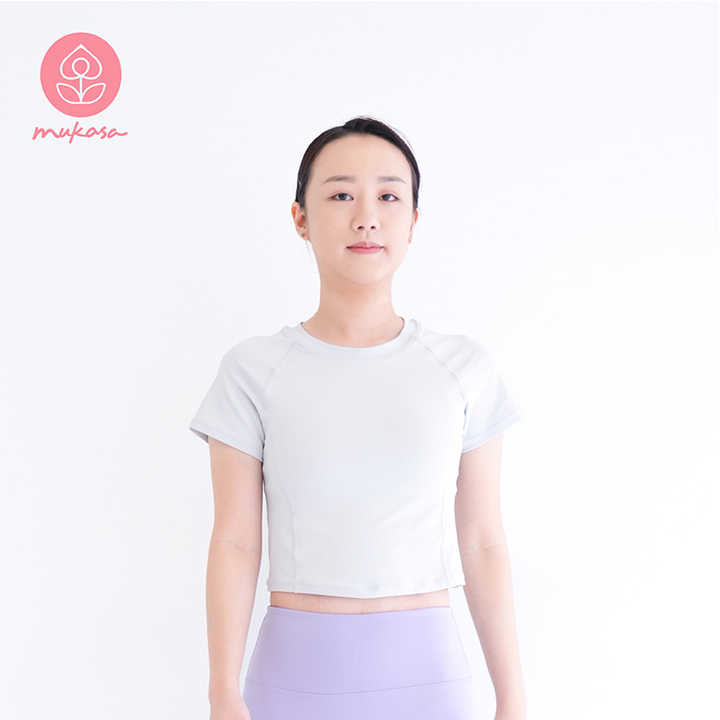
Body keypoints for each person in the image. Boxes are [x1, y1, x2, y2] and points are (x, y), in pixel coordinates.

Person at [189, 116, 527, 720]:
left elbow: (483, 541)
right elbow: (236, 541)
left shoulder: (461, 368)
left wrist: (513, 698)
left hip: (428, 681)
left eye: (388, 197)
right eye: (341, 195)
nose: (366, 216)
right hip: (292, 679)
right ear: (300, 218)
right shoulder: (253, 370)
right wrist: (222, 692)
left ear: (413, 221)